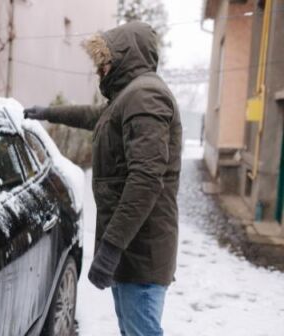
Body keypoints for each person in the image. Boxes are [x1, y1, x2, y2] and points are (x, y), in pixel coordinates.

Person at [24, 21, 182, 336]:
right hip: (133, 244)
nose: (100, 69)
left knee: (140, 331)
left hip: (140, 248)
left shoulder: (145, 95)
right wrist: (48, 113)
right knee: (133, 329)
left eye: (105, 61)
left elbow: (147, 179)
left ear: (126, 55)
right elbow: (94, 117)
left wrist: (110, 249)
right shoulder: (127, 97)